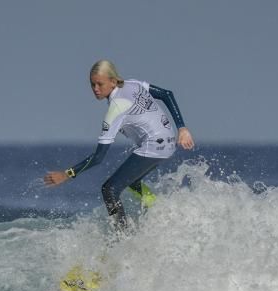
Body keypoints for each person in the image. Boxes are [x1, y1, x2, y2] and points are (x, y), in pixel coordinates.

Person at [45, 59, 195, 229]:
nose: (95, 89)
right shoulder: (134, 84)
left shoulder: (116, 108)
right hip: (168, 142)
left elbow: (98, 157)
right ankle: (157, 206)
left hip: (154, 146)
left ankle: (121, 237)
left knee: (109, 189)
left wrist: (66, 174)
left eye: (99, 84)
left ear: (113, 81)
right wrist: (182, 128)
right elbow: (167, 94)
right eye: (92, 84)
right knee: (131, 181)